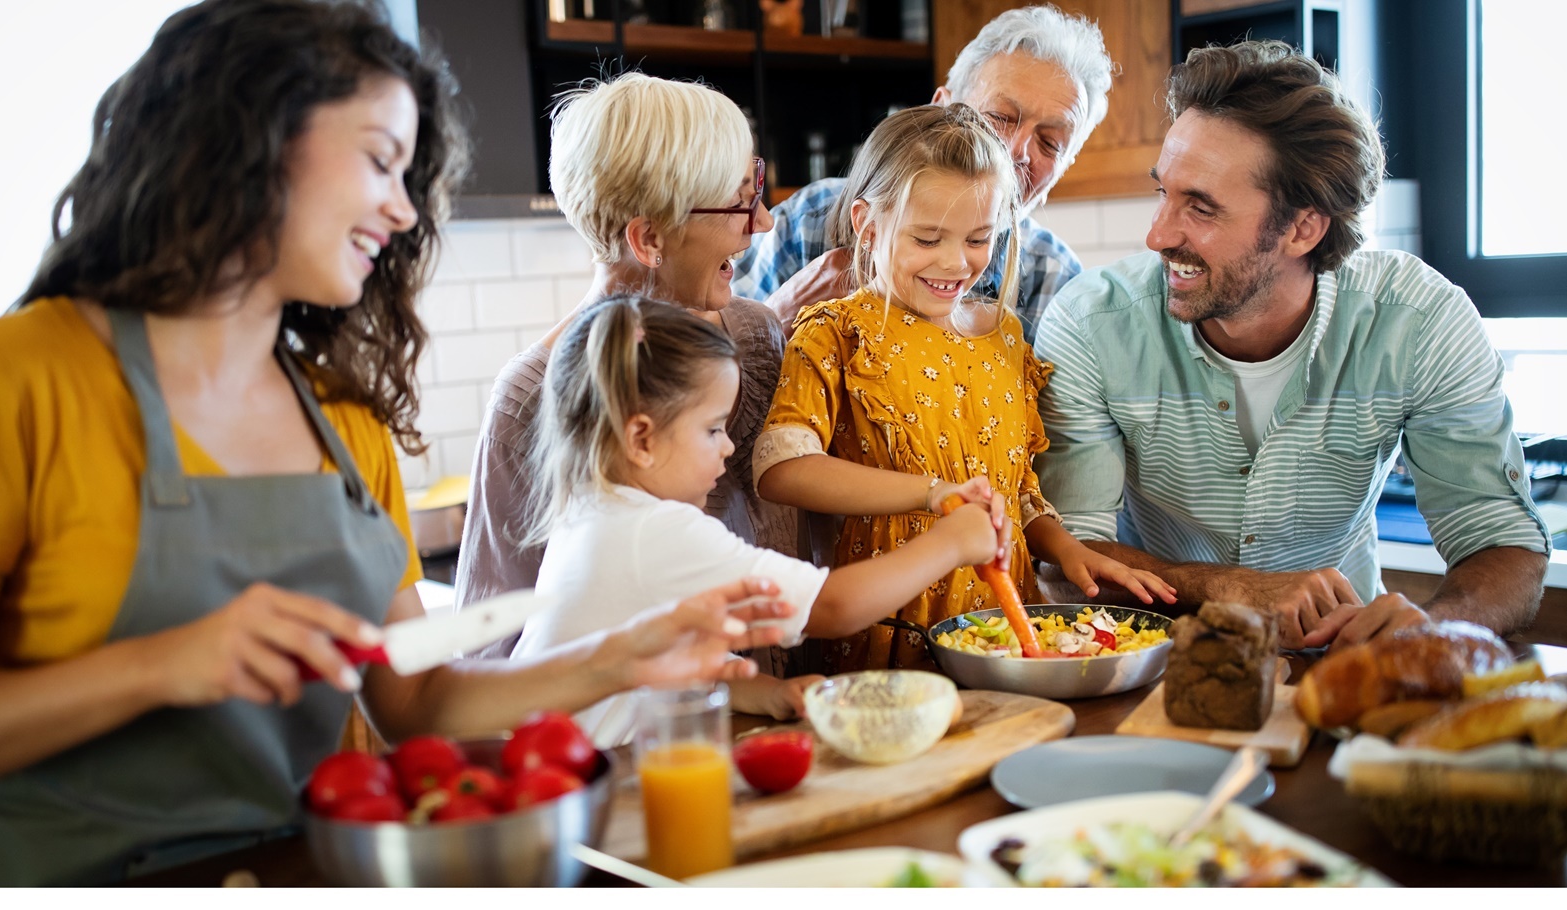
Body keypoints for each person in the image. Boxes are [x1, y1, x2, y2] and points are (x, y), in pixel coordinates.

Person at [0, 0, 798, 886]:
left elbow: (415, 700)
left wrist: (619, 658)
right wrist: (158, 666)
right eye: (379, 162)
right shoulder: (9, 378)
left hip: (302, 874)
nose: (400, 211)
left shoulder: (341, 417)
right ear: (249, 137)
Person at [1033, 40, 1550, 652]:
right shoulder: (1094, 322)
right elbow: (1065, 563)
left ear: (1303, 228)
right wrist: (1228, 587)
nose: (1157, 234)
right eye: (1162, 193)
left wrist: (1434, 629)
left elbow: (1505, 543)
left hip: (1344, 663)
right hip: (1157, 669)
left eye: (1200, 207)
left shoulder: (1420, 322)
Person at [754, 105, 1174, 674]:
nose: (955, 263)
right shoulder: (836, 334)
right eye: (927, 239)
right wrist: (931, 494)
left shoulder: (1005, 338)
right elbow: (781, 468)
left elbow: (1015, 493)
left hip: (1005, 631)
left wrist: (1069, 550)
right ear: (867, 225)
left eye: (979, 239)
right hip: (886, 636)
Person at [515, 295, 1009, 746]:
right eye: (712, 429)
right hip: (587, 786)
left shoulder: (594, 513)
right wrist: (951, 544)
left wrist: (762, 691)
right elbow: (832, 607)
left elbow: (659, 657)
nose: (729, 447)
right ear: (641, 439)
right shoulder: (655, 531)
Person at [453, 74, 796, 655]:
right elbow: (491, 649)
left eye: (755, 185)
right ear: (649, 237)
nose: (762, 221)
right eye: (739, 200)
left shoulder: (759, 335)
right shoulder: (532, 399)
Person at [731, 4, 1114, 342]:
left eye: (1049, 143)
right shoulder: (811, 221)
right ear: (939, 110)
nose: (1018, 152)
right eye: (999, 117)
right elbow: (703, 363)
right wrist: (776, 319)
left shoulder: (1055, 280)